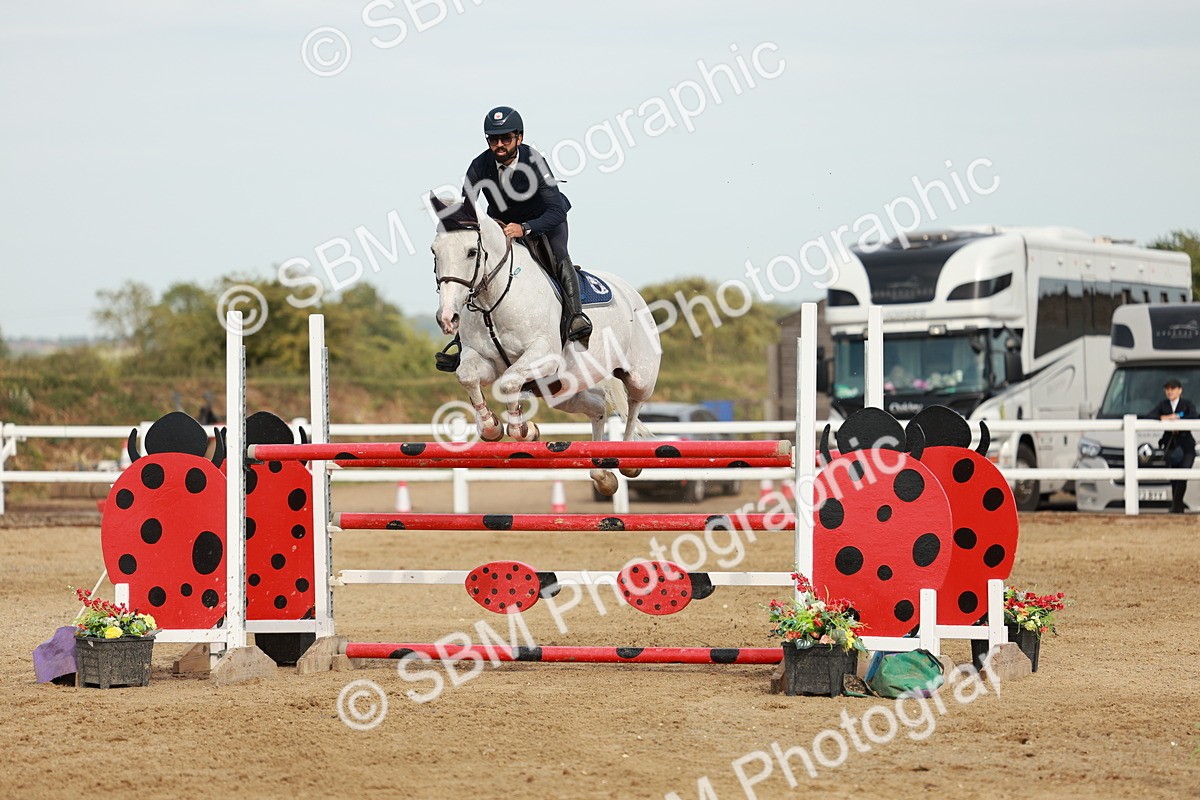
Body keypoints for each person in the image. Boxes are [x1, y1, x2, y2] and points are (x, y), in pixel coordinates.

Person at [462, 106, 592, 345]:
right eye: (493, 139)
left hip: (545, 220)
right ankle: (464, 339)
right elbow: (468, 207)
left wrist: (524, 228)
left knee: (558, 255)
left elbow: (556, 210)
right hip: (502, 223)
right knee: (478, 266)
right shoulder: (479, 165)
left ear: (519, 137)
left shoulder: (534, 161)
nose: (499, 144)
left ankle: (576, 318)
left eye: (506, 138)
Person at [1150, 378, 1196, 513]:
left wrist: (1179, 421)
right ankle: (1177, 506)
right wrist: (1166, 417)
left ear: (1180, 390)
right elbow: (1150, 415)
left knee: (1183, 475)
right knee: (1173, 478)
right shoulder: (1163, 405)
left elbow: (1194, 416)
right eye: (1167, 389)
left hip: (1186, 447)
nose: (1170, 391)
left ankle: (1177, 505)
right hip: (1171, 447)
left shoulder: (1186, 404)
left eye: (1173, 388)